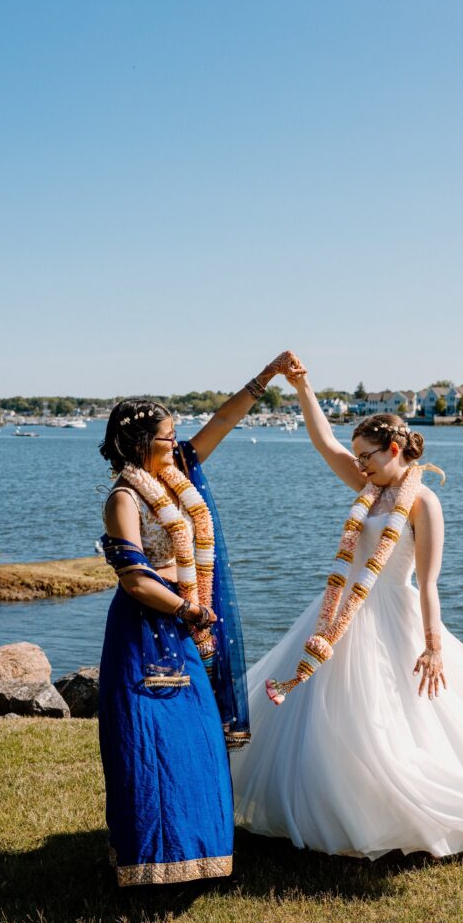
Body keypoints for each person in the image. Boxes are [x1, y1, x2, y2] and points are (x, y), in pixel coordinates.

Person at [231, 367, 463, 860]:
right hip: (341, 611)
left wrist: (433, 646)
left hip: (391, 612)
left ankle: (404, 810)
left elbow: (428, 583)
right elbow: (324, 444)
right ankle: (338, 806)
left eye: (366, 455)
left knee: (389, 718)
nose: (358, 464)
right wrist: (303, 389)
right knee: (328, 717)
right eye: (357, 456)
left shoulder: (422, 502)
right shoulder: (368, 487)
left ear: (393, 451)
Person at [98, 352, 300, 886]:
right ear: (140, 443)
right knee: (153, 742)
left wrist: (268, 376)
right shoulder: (124, 496)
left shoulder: (177, 474)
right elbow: (134, 579)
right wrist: (188, 608)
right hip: (148, 627)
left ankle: (201, 854)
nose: (177, 443)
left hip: (187, 621)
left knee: (199, 739)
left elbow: (224, 421)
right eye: (167, 437)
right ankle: (150, 862)